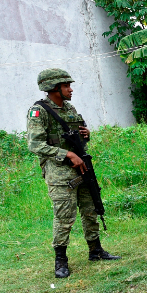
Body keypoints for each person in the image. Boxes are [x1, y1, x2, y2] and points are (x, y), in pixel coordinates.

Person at [27, 68, 120, 279]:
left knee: (90, 209)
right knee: (64, 217)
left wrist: (85, 134)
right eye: (66, 86)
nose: (70, 89)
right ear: (53, 88)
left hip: (81, 168)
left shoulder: (69, 108)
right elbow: (35, 145)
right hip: (60, 175)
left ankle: (95, 250)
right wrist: (67, 154)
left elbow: (77, 137)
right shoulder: (38, 111)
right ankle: (61, 260)